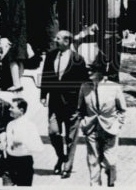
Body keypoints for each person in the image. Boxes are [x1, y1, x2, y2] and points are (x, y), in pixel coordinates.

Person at [41, 29, 89, 177]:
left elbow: (85, 83)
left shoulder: (78, 60)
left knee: (71, 137)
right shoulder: (50, 56)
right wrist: (43, 95)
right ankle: (61, 157)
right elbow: (46, 76)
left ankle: (67, 166)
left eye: (58, 38)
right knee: (53, 132)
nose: (55, 40)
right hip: (54, 103)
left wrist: (85, 105)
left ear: (67, 41)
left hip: (72, 105)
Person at [78, 58, 126, 186]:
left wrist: (118, 124)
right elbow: (80, 109)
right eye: (89, 70)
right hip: (91, 129)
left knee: (110, 162)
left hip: (109, 129)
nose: (89, 73)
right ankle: (95, 185)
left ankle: (111, 183)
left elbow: (122, 110)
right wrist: (83, 123)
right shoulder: (84, 87)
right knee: (93, 160)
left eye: (92, 70)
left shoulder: (114, 87)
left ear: (101, 72)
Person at [1, 97, 40, 186]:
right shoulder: (10, 124)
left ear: (21, 110)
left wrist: (23, 143)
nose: (9, 109)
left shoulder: (30, 126)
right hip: (9, 161)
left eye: (12, 107)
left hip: (24, 162)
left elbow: (39, 147)